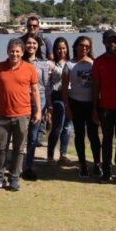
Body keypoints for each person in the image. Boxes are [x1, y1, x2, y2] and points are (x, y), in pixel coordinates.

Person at [0, 39, 41, 192]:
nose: (14, 53)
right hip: (3, 115)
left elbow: (35, 91)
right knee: (0, 148)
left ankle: (14, 178)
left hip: (23, 114)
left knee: (19, 149)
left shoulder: (29, 69)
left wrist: (38, 111)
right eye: (12, 50)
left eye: (17, 51)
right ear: (7, 51)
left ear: (22, 52)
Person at [90, 30, 116, 184]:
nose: (112, 43)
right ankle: (106, 172)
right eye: (109, 41)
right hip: (105, 107)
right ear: (104, 42)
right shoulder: (98, 62)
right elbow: (96, 87)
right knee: (106, 140)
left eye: (114, 40)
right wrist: (94, 108)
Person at [63, 36, 101, 178]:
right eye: (81, 45)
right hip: (75, 103)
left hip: (91, 104)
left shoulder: (93, 64)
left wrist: (96, 107)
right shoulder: (69, 65)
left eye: (87, 46)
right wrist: (67, 106)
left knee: (93, 136)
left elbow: (98, 85)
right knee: (79, 135)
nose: (84, 48)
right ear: (76, 46)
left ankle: (97, 164)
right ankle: (83, 165)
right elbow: (65, 88)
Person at [22, 34, 52, 181]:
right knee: (21, 133)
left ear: (38, 46)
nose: (31, 46)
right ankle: (18, 163)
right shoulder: (19, 61)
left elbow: (47, 86)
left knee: (33, 135)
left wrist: (49, 107)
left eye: (34, 43)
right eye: (28, 43)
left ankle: (29, 164)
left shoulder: (44, 63)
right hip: (21, 100)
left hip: (39, 99)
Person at [46, 37, 71, 165]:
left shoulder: (71, 62)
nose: (61, 50)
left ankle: (63, 154)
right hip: (57, 96)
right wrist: (49, 104)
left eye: (63, 48)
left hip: (71, 96)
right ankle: (50, 155)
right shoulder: (51, 64)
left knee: (67, 127)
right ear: (55, 50)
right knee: (57, 127)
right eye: (59, 48)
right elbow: (48, 85)